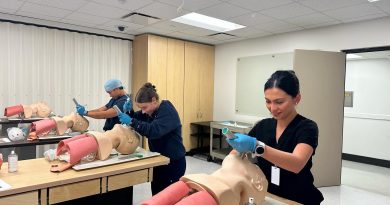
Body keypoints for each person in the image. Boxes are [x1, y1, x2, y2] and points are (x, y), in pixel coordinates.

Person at [227, 70, 324, 204]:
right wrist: (232, 158)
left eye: (279, 102)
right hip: (268, 195)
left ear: (297, 99)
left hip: (299, 199)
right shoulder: (263, 126)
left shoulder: (307, 127)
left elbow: (297, 163)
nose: (272, 108)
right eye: (268, 101)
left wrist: (257, 147)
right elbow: (235, 154)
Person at [118, 82, 186, 195]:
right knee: (157, 195)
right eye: (140, 108)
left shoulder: (167, 111)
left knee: (169, 198)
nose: (143, 111)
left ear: (154, 100)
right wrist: (129, 112)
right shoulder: (151, 111)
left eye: (144, 107)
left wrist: (131, 121)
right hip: (159, 160)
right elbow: (137, 118)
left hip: (173, 163)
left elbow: (153, 131)